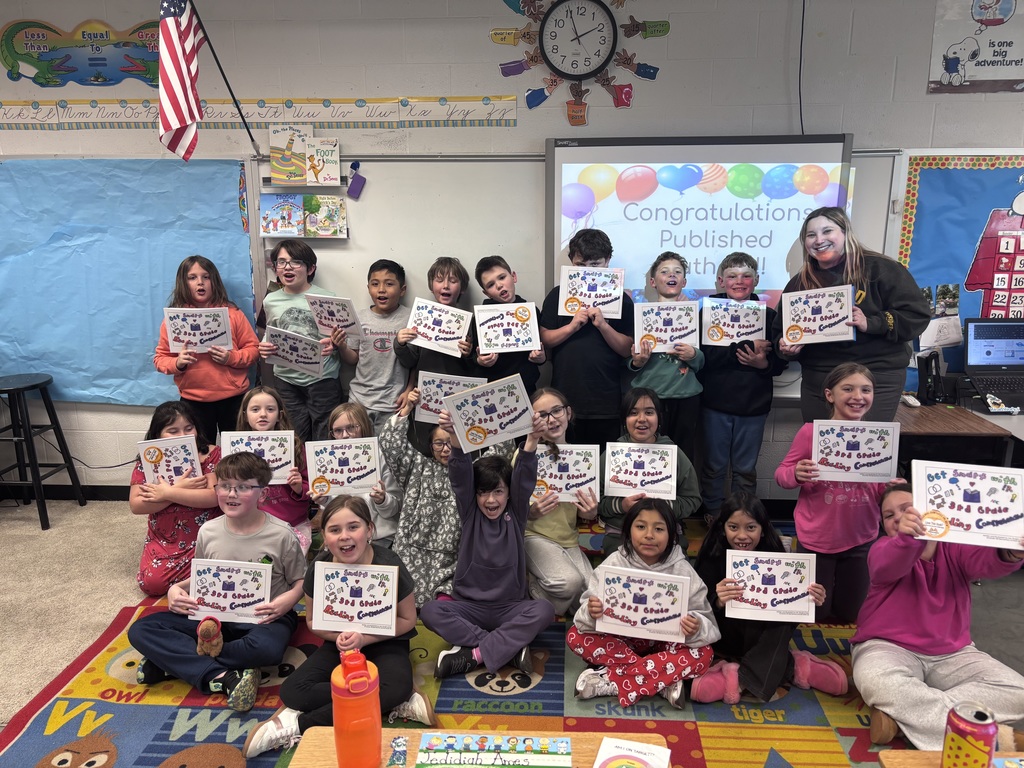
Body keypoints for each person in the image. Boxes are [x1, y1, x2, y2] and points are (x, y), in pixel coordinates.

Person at [242, 495, 431, 760]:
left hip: (386, 639)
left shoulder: (389, 563)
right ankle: (389, 702)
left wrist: (364, 638)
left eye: (353, 527)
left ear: (370, 530)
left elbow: (408, 620)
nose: (344, 536)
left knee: (396, 685)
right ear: (325, 534)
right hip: (338, 642)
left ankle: (297, 725)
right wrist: (338, 637)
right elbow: (312, 622)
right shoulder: (319, 567)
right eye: (334, 529)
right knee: (293, 691)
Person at [128, 452, 306, 713]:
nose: (231, 494)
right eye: (224, 486)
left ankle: (174, 663)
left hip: (265, 617)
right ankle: (223, 677)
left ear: (263, 494)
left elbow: (301, 580)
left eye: (243, 487)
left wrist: (288, 601)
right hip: (214, 618)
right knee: (141, 630)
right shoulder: (208, 531)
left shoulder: (281, 534)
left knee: (267, 649)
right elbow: (204, 576)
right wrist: (175, 588)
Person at [852, 485, 1024, 751]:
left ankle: (903, 721)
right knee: (879, 681)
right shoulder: (882, 548)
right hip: (886, 646)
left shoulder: (955, 548)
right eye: (888, 515)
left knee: (1020, 692)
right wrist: (910, 538)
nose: (898, 517)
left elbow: (986, 561)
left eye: (907, 508)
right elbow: (888, 564)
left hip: (953, 652)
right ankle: (988, 734)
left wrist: (1009, 552)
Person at [421, 409, 555, 679]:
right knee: (430, 610)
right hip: (469, 606)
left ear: (508, 494)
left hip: (510, 606)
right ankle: (506, 648)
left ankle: (476, 654)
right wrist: (455, 436)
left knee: (544, 610)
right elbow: (460, 476)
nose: (491, 500)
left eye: (498, 491)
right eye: (483, 492)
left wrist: (531, 440)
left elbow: (524, 478)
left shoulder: (516, 513)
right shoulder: (470, 512)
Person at [772, 207, 930, 422]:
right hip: (820, 378)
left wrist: (872, 323)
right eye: (811, 235)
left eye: (827, 231)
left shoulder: (881, 269)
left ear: (845, 233)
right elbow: (780, 332)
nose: (819, 240)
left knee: (864, 451)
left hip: (875, 377)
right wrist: (786, 347)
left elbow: (916, 315)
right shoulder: (799, 284)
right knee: (821, 449)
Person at [693, 491, 847, 704]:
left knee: (784, 613)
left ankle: (742, 681)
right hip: (727, 636)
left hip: (764, 637)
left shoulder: (777, 558)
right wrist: (717, 600)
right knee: (775, 640)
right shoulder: (712, 555)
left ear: (763, 530)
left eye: (751, 527)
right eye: (733, 527)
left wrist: (813, 600)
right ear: (723, 529)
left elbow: (802, 613)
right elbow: (696, 609)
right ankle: (792, 666)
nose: (742, 535)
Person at [567, 498, 719, 709]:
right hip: (623, 641)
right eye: (640, 527)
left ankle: (612, 680)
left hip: (664, 644)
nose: (649, 535)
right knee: (575, 636)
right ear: (629, 530)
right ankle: (661, 681)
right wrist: (591, 612)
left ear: (671, 535)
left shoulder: (683, 570)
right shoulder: (613, 563)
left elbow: (707, 623)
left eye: (659, 529)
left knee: (704, 654)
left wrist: (696, 626)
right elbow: (583, 618)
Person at [774, 363, 891, 622]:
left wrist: (894, 490)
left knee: (850, 613)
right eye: (847, 389)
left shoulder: (880, 437)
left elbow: (882, 491)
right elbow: (781, 474)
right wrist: (795, 473)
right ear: (830, 395)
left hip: (861, 539)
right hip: (817, 538)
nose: (858, 397)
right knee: (814, 612)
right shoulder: (811, 433)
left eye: (866, 389)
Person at [699, 252, 787, 523]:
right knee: (713, 466)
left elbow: (780, 361)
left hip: (753, 406)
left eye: (746, 276)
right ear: (720, 281)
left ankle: (743, 515)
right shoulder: (707, 313)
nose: (740, 281)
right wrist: (742, 349)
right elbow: (704, 358)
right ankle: (713, 512)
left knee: (745, 468)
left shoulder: (769, 316)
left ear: (756, 280)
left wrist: (763, 365)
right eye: (732, 276)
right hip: (714, 404)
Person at [540, 228, 634, 447]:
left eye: (595, 265)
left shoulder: (621, 299)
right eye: (581, 265)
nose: (588, 271)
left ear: (608, 261)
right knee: (565, 466)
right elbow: (545, 339)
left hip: (605, 402)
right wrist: (572, 326)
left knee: (601, 470)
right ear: (572, 262)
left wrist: (603, 326)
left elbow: (626, 348)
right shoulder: (557, 295)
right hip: (564, 401)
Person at [154, 255, 260, 443]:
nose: (200, 282)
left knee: (238, 455)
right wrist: (178, 363)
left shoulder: (232, 314)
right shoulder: (173, 320)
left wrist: (231, 358)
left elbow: (253, 350)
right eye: (192, 277)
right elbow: (160, 358)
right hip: (193, 401)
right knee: (200, 453)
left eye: (206, 277)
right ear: (183, 282)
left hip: (233, 398)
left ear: (214, 280)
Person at [378, 388, 460, 606]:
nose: (445, 449)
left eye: (451, 441)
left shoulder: (471, 470)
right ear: (430, 446)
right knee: (403, 596)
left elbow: (501, 453)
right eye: (439, 443)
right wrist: (407, 408)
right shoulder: (417, 466)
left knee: (447, 598)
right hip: (412, 548)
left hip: (452, 552)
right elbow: (390, 443)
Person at [130, 401, 221, 597]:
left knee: (226, 576)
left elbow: (215, 497)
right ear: (158, 433)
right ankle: (194, 581)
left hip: (208, 535)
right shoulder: (148, 460)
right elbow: (136, 505)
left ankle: (192, 580)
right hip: (166, 536)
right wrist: (180, 488)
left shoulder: (212, 454)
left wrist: (167, 493)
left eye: (189, 428)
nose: (183, 436)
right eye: (173, 430)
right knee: (151, 584)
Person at [598, 387, 702, 554]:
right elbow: (597, 501)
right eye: (633, 413)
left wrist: (663, 506)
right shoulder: (611, 455)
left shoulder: (674, 454)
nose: (641, 419)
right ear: (624, 419)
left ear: (659, 418)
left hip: (665, 535)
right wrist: (621, 505)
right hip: (621, 535)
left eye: (649, 412)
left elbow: (693, 500)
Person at [523, 388, 598, 617]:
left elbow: (586, 515)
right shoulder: (526, 454)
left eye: (556, 411)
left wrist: (591, 512)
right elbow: (512, 505)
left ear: (568, 413)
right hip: (533, 535)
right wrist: (531, 512)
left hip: (568, 539)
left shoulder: (584, 459)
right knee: (568, 583)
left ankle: (568, 615)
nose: (551, 419)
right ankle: (531, 592)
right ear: (533, 421)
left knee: (594, 597)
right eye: (542, 415)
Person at [258, 240, 343, 442]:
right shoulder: (270, 300)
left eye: (295, 262)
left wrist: (334, 344)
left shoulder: (327, 297)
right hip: (286, 379)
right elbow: (271, 331)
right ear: (275, 268)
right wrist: (264, 346)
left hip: (323, 378)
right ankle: (300, 474)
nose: (287, 267)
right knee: (295, 437)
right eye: (281, 262)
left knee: (325, 435)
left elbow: (337, 337)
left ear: (310, 268)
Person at [395, 256, 479, 450]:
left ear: (462, 288)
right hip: (425, 398)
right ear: (431, 286)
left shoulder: (472, 322)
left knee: (457, 449)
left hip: (459, 400)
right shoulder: (421, 318)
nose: (446, 285)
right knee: (426, 447)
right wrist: (400, 344)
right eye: (440, 280)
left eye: (453, 280)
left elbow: (479, 369)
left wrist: (468, 355)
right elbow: (410, 361)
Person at [629, 252, 704, 464]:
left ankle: (680, 497)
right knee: (649, 453)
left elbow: (702, 361)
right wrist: (637, 361)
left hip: (686, 396)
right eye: (665, 271)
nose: (671, 275)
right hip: (650, 395)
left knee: (683, 454)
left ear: (684, 281)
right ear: (653, 282)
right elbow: (628, 360)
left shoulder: (696, 316)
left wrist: (693, 355)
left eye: (677, 272)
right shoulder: (640, 315)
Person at [334, 259, 412, 434]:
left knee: (387, 456)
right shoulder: (358, 318)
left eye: (389, 284)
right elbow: (353, 358)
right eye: (375, 284)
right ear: (368, 288)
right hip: (359, 401)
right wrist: (341, 346)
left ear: (402, 290)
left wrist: (409, 390)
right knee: (360, 453)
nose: (381, 289)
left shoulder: (411, 318)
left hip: (394, 402)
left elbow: (417, 361)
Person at [236, 386, 312, 553]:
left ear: (280, 415)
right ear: (245, 415)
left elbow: (309, 489)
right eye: (255, 409)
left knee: (289, 570)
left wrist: (298, 487)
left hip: (292, 524)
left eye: (270, 409)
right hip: (250, 525)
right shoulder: (235, 450)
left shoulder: (295, 447)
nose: (263, 414)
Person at [323, 402, 404, 547]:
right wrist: (324, 500)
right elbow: (333, 513)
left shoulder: (382, 456)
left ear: (363, 426)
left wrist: (382, 500)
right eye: (338, 431)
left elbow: (393, 509)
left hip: (380, 537)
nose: (345, 436)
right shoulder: (327, 460)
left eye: (351, 428)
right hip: (344, 537)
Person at [474, 255, 546, 395]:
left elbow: (541, 351)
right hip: (493, 390)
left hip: (527, 387)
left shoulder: (530, 312)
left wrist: (541, 358)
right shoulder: (479, 317)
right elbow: (472, 356)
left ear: (513, 276)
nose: (499, 285)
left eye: (502, 277)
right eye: (490, 284)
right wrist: (480, 361)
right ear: (486, 293)